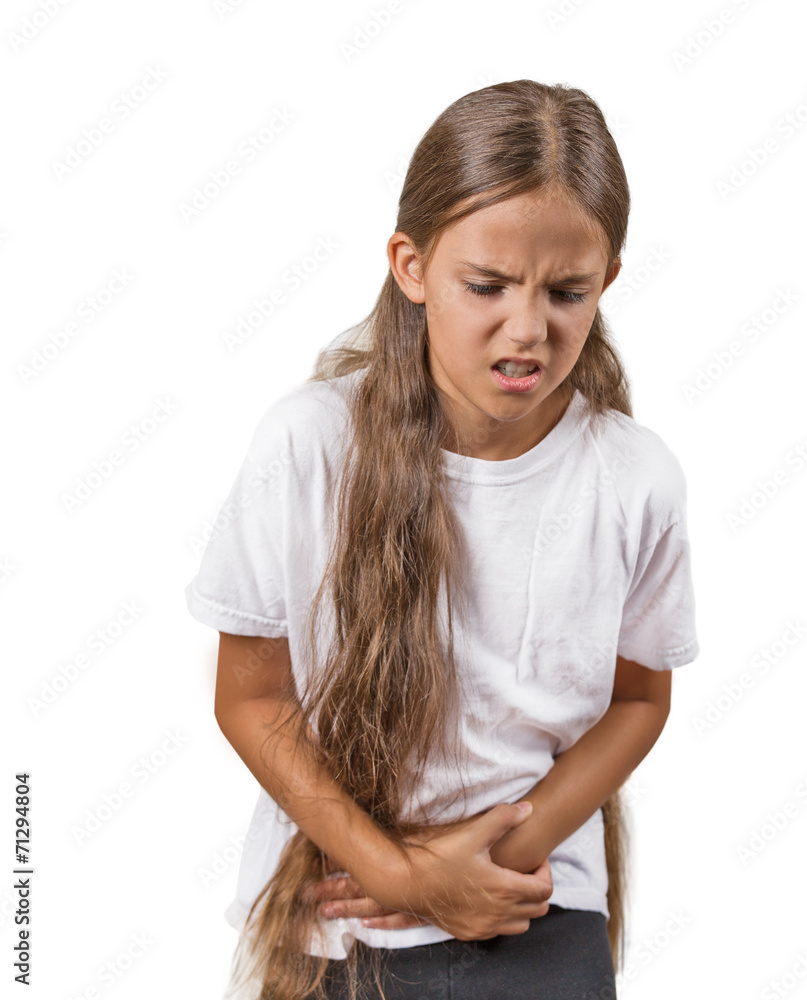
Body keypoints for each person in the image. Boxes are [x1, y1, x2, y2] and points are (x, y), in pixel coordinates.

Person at [185, 79, 700, 1000]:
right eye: (487, 286)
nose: (528, 328)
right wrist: (400, 874)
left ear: (608, 282)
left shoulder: (636, 477)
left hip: (535, 901)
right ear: (412, 266)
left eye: (568, 292)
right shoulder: (308, 444)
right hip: (339, 910)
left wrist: (495, 859)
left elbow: (638, 699)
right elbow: (251, 697)